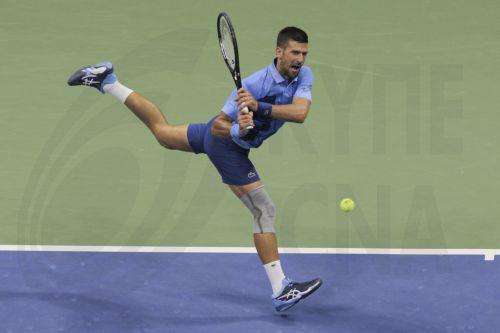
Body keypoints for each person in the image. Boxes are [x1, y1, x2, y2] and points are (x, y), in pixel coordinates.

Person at [67, 26, 321, 312]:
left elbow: (300, 113)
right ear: (279, 52)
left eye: (304, 54)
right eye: (295, 53)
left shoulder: (303, 76)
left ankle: (108, 81)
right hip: (226, 145)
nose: (300, 59)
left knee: (163, 133)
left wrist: (258, 109)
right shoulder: (253, 83)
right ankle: (281, 289)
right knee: (263, 209)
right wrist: (240, 129)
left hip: (225, 139)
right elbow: (219, 127)